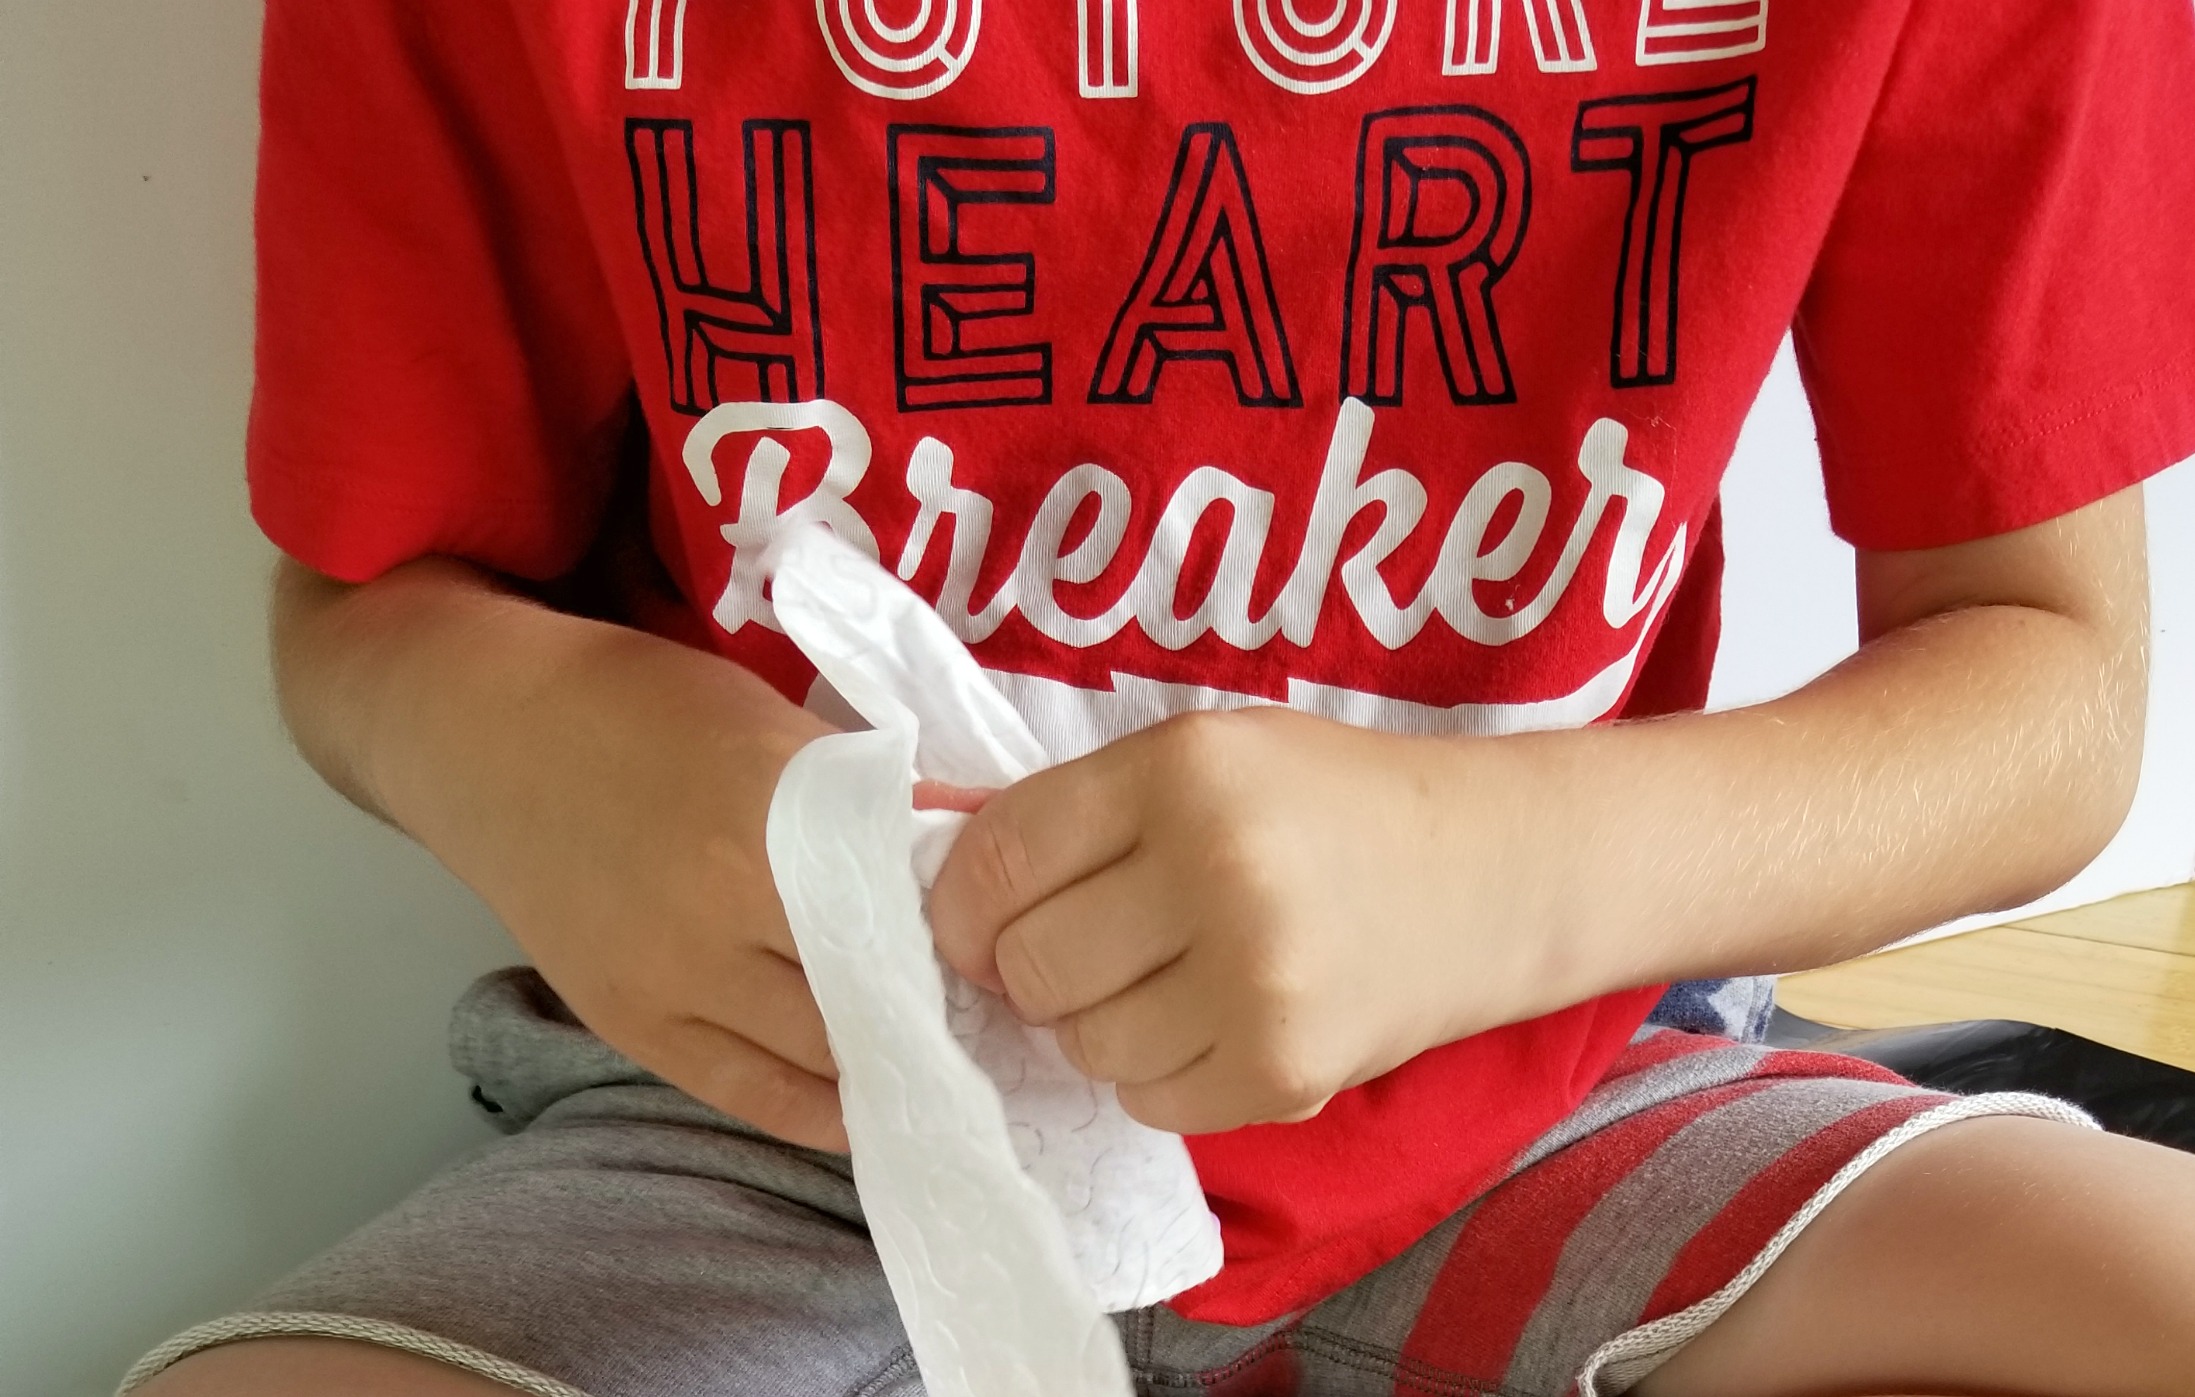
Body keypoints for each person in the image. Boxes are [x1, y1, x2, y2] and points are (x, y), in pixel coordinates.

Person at [127, 2, 2195, 1395]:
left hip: (1561, 1091)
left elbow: (2047, 688)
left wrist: (1501, 883)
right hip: (769, 1141)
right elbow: (365, 605)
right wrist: (534, 747)